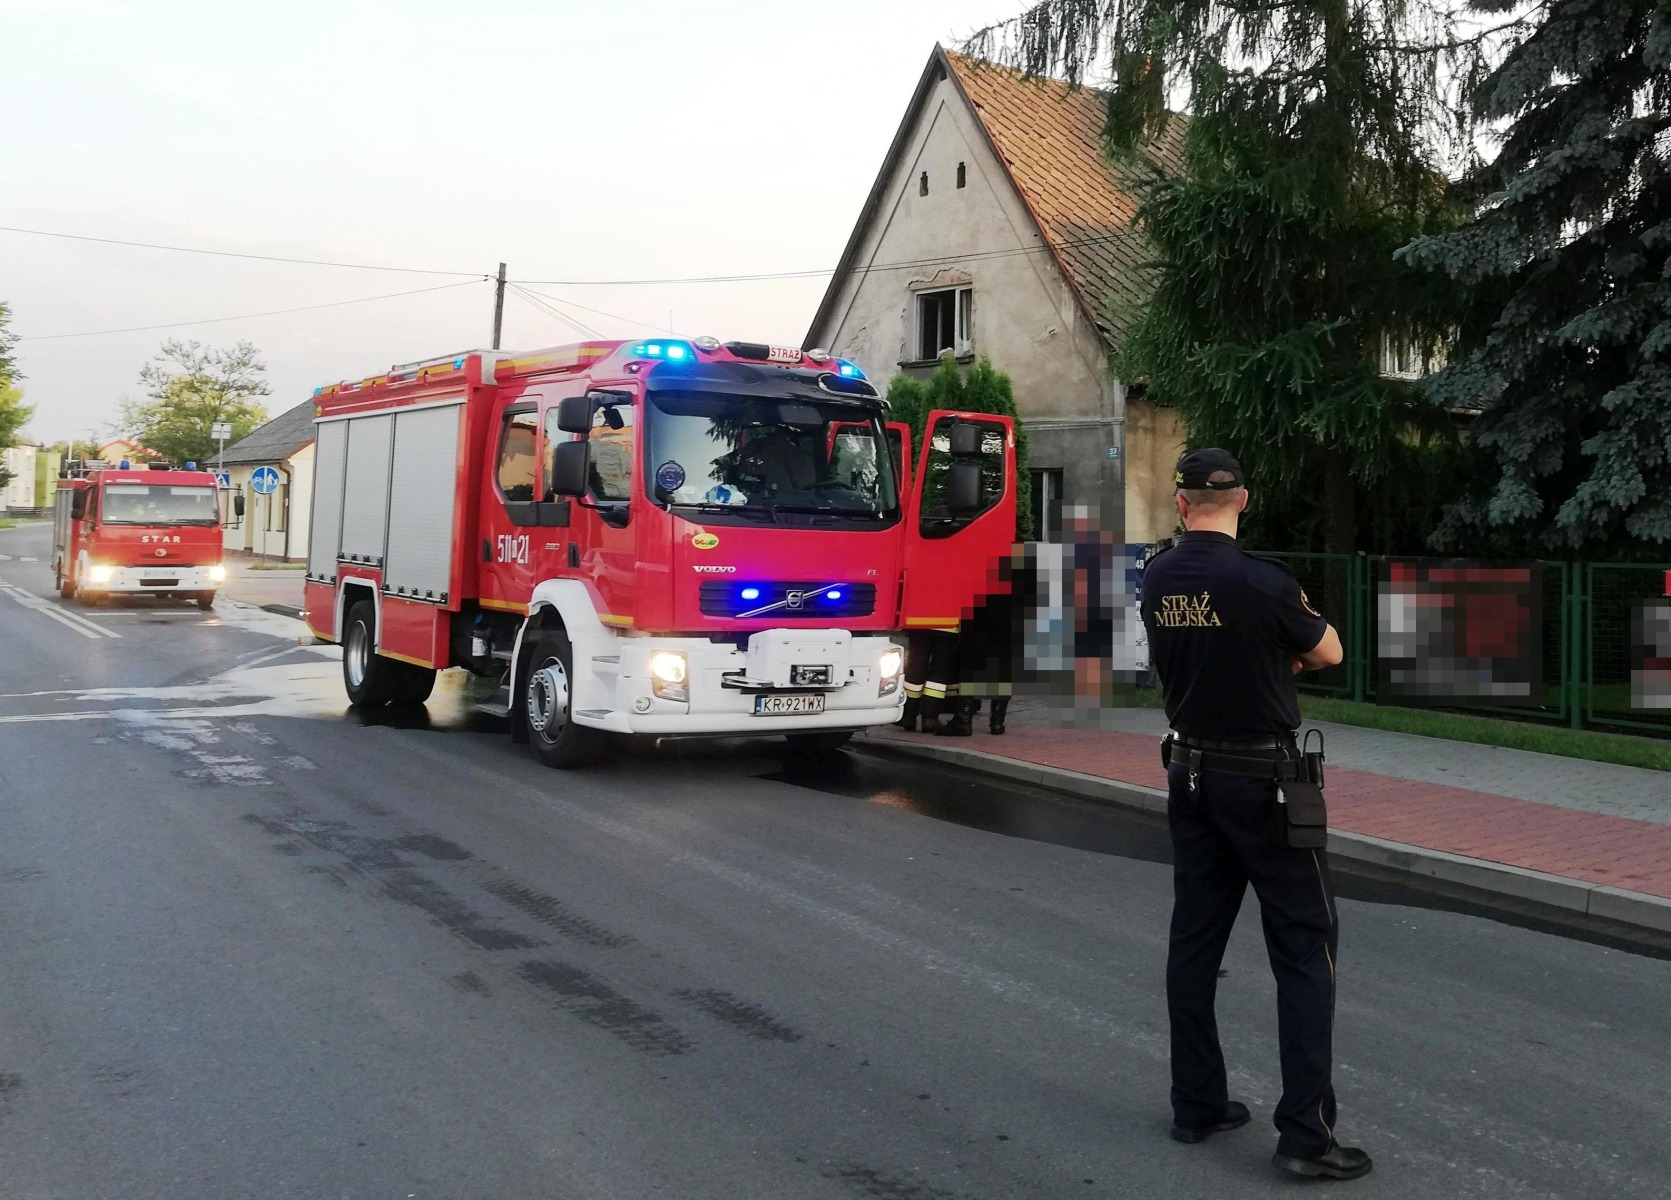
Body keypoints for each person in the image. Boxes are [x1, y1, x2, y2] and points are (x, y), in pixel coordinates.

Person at [1138, 448, 1369, 1182]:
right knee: (1304, 948)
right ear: (1242, 500)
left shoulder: (1157, 576)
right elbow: (1328, 651)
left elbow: (1196, 651)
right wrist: (1282, 659)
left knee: (1193, 940)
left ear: (1180, 504)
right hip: (1262, 783)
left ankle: (1195, 1103)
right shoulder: (1264, 582)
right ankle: (1306, 1135)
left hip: (1189, 773)